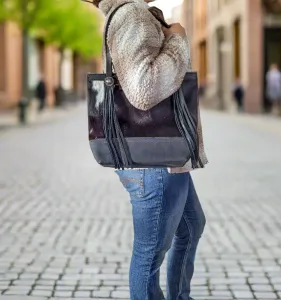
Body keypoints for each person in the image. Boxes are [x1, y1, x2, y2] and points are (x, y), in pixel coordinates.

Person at [93, 0, 208, 299]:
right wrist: (178, 40)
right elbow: (144, 89)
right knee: (149, 255)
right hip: (154, 164)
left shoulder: (136, 15)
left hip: (164, 158)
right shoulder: (131, 15)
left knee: (191, 226)